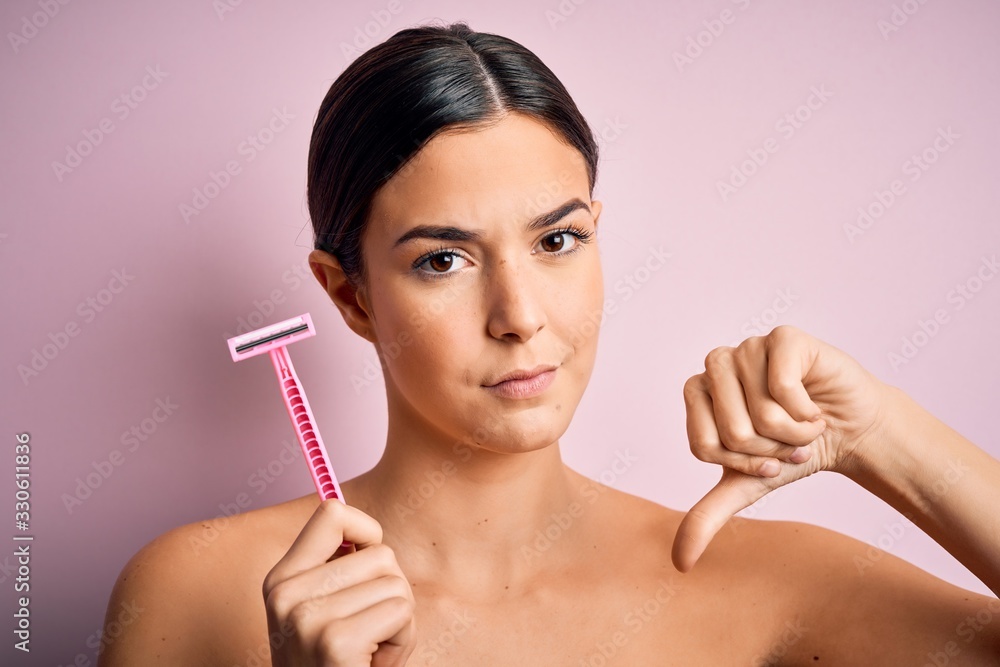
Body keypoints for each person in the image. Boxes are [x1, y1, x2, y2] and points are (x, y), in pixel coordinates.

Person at [98, 21, 1000, 666]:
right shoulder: (199, 594)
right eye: (443, 258)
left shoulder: (767, 582)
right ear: (350, 294)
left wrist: (882, 435)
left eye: (558, 240)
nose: (520, 314)